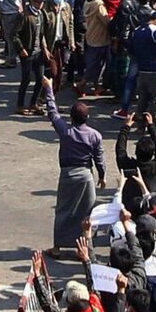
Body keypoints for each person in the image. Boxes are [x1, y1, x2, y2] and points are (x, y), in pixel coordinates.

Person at [40, 76, 103, 260]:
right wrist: (102, 174)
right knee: (87, 212)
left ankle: (58, 247)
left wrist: (49, 89)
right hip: (86, 175)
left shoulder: (66, 131)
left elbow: (53, 113)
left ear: (72, 118)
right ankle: (84, 248)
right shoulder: (95, 136)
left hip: (68, 174)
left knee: (63, 210)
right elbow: (99, 157)